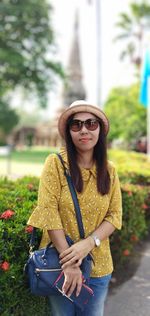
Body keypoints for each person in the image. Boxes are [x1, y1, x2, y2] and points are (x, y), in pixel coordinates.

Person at [27, 100, 122, 316]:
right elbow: (48, 211)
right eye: (76, 125)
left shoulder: (109, 170)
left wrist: (89, 243)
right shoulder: (56, 164)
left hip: (99, 266)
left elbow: (115, 215)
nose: (84, 130)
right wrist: (69, 263)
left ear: (100, 129)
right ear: (69, 131)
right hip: (60, 267)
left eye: (91, 123)